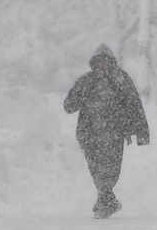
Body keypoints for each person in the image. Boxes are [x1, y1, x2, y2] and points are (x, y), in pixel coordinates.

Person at [63, 44, 149, 219]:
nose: (102, 65)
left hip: (114, 133)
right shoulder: (86, 81)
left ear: (111, 63)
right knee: (95, 167)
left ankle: (105, 200)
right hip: (89, 134)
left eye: (105, 62)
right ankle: (106, 200)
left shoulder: (121, 79)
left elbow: (134, 104)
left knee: (111, 168)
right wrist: (79, 98)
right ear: (93, 64)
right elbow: (68, 105)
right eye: (99, 62)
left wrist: (141, 132)